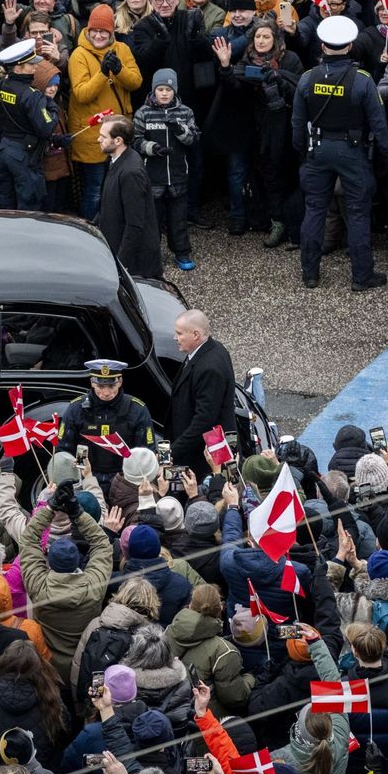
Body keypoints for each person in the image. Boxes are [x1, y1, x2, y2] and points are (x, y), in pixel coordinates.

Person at [291, 14, 388, 292]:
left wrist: (303, 152)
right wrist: (382, 158)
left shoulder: (308, 79)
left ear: (322, 46)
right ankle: (361, 276)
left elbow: (297, 125)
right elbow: (379, 125)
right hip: (352, 151)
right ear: (349, 47)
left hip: (318, 150)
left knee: (314, 211)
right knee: (358, 214)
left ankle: (310, 274)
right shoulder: (362, 80)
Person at [129, 67, 200, 270]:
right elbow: (135, 140)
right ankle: (151, 254)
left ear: (174, 91)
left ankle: (182, 252)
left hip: (178, 174)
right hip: (153, 176)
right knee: (153, 220)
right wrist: (152, 149)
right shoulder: (144, 112)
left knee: (179, 219)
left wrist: (180, 130)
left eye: (168, 89)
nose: (164, 93)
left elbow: (194, 139)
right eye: (160, 89)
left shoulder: (185, 111)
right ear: (153, 91)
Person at [56, 360, 156, 484]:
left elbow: (146, 453)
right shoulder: (76, 408)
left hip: (125, 480)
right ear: (92, 382)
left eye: (111, 386)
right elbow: (63, 452)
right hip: (86, 479)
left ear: (120, 382)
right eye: (101, 386)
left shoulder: (136, 409)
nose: (106, 393)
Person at [0, 39, 60, 211]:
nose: (35, 68)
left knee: (5, 205)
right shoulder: (32, 95)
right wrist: (52, 106)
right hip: (24, 156)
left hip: (4, 150)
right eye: (31, 65)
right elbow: (46, 128)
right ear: (17, 67)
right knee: (29, 208)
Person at [168, 310, 238, 478]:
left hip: (202, 456)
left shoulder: (209, 368)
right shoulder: (212, 349)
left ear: (196, 335)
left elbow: (204, 420)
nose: (175, 338)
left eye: (179, 333)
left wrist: (174, 451)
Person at [93, 114, 161, 278]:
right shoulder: (116, 160)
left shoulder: (131, 172)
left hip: (136, 266)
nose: (98, 140)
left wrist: (120, 265)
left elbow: (135, 224)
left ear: (118, 141)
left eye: (103, 136)